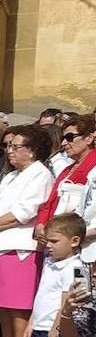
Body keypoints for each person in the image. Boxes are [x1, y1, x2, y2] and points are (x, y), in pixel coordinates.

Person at [0, 126, 55, 337]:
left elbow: (25, 212)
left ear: (32, 151)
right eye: (8, 146)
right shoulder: (11, 176)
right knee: (2, 301)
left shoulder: (40, 174)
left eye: (15, 146)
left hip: (22, 245)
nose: (9, 150)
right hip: (1, 243)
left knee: (18, 303)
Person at [34, 114, 95, 266]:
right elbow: (50, 201)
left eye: (70, 137)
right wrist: (41, 224)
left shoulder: (93, 165)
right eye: (62, 138)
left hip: (82, 240)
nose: (63, 143)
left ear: (89, 138)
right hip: (58, 238)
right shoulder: (67, 169)